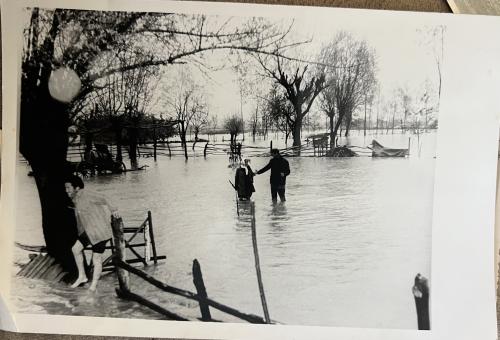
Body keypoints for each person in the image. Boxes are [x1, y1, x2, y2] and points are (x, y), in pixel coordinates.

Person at [65, 175, 119, 291]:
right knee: (75, 249)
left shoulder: (88, 194)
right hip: (88, 231)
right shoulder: (75, 199)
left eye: (68, 188)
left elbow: (104, 197)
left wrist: (114, 210)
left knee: (97, 258)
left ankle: (93, 286)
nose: (66, 190)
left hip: (100, 230)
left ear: (77, 188)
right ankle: (82, 276)